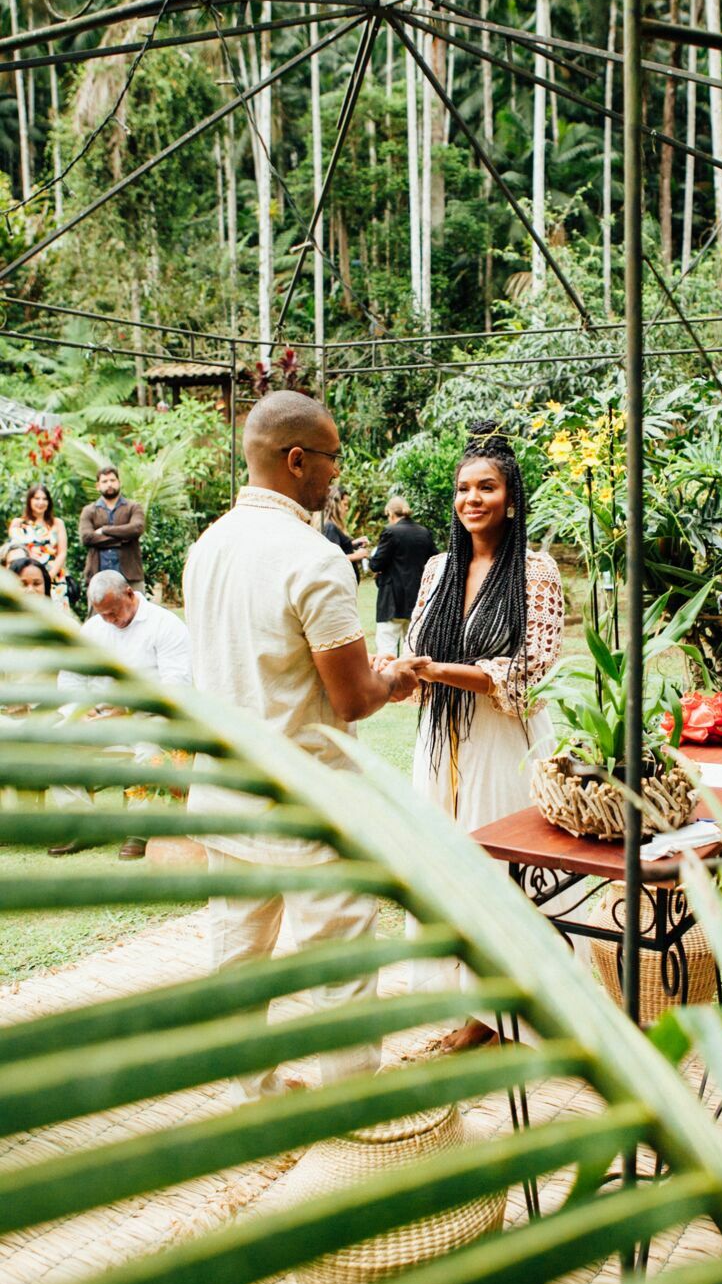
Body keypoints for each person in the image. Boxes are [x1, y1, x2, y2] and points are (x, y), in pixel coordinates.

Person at [182, 390, 428, 1103]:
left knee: (238, 955)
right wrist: (395, 678)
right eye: (331, 458)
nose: (336, 473)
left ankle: (251, 1095)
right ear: (296, 460)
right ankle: (355, 1115)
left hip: (226, 791)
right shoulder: (314, 559)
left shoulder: (207, 547)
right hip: (307, 798)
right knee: (341, 964)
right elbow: (352, 698)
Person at [405, 422, 564, 1052]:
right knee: (449, 871)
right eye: (464, 488)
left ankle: (515, 1011)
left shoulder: (535, 571)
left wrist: (440, 671)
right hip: (441, 741)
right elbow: (416, 648)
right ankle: (474, 1006)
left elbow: (530, 673)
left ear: (512, 499)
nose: (472, 499)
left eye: (487, 487)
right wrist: (406, 671)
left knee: (502, 874)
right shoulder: (438, 569)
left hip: (504, 743)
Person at [49, 570, 193, 861]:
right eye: (102, 614)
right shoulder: (93, 629)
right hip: (99, 716)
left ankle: (139, 830)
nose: (109, 620)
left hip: (149, 715)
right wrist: (79, 709)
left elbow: (177, 686)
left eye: (113, 612)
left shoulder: (164, 625)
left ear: (129, 593)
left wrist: (128, 708)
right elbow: (71, 678)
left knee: (149, 752)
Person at [353, 495, 437, 658]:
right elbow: (434, 560)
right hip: (417, 598)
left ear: (390, 513)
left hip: (392, 600)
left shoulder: (391, 532)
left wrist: (370, 558)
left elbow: (376, 564)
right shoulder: (423, 532)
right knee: (412, 649)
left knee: (387, 648)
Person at [79, 465, 146, 597]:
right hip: (98, 575)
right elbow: (87, 538)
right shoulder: (89, 510)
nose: (109, 484)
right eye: (105, 481)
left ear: (119, 482)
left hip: (130, 575)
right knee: (98, 610)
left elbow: (137, 528)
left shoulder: (133, 507)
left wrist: (104, 530)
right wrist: (123, 538)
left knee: (136, 608)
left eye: (112, 480)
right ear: (98, 486)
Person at [8, 484, 69, 603]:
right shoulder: (18, 523)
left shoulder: (57, 523)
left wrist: (48, 576)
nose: (41, 502)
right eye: (37, 498)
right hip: (26, 579)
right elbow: (13, 551)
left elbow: (62, 553)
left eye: (44, 499)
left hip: (54, 576)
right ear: (29, 500)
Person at [322, 486, 360, 571]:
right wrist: (357, 555)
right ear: (335, 504)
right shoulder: (330, 527)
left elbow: (339, 548)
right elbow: (333, 559)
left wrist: (353, 543)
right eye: (345, 504)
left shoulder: (332, 525)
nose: (347, 508)